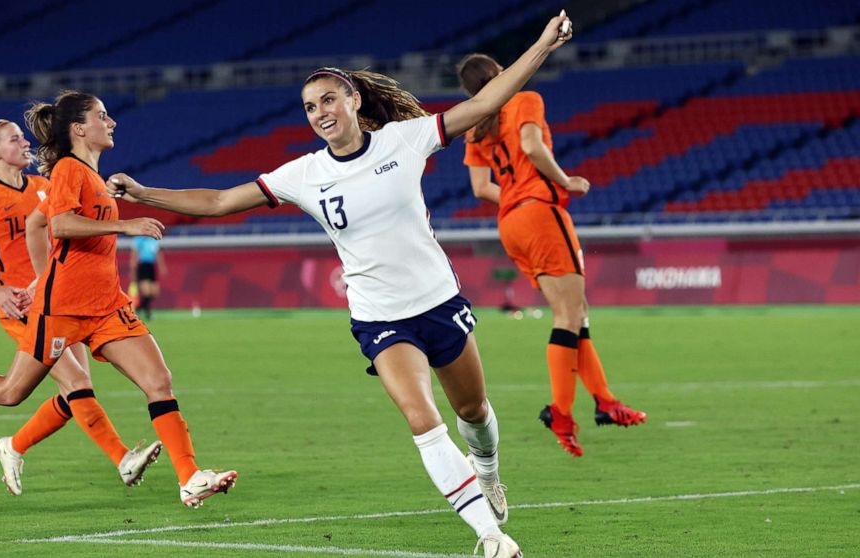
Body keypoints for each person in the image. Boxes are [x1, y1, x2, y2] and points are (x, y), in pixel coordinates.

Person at [106, 13, 574, 556]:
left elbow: (486, 103)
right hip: (380, 316)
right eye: (310, 107)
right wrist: (142, 192)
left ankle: (489, 472)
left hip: (439, 302)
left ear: (352, 99)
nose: (320, 113)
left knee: (473, 413)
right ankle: (489, 536)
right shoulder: (303, 174)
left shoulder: (405, 138)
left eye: (328, 100)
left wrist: (542, 44)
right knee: (423, 420)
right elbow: (217, 201)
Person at [0, 91, 237, 508]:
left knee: (158, 381)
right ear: (79, 128)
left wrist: (40, 275)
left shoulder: (76, 178)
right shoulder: (68, 169)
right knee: (10, 392)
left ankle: (189, 477)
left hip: (107, 306)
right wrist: (126, 227)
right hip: (61, 310)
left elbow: (37, 225)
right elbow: (62, 224)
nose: (113, 122)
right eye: (103, 115)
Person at [0, 118, 161, 495]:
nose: (25, 142)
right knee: (69, 384)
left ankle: (13, 445)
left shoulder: (45, 187)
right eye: (15, 139)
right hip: (21, 308)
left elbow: (69, 225)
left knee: (57, 392)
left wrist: (105, 191)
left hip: (59, 300)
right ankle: (123, 459)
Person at [457, 53, 646, 458]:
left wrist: (515, 197)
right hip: (541, 213)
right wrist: (567, 181)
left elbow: (479, 188)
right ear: (501, 73)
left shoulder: (475, 126)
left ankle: (606, 402)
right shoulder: (523, 100)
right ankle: (561, 411)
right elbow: (531, 144)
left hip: (511, 224)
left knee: (576, 312)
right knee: (568, 316)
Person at [129, 236, 166, 320]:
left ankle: (139, 308)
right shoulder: (138, 240)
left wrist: (162, 266)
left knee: (155, 292)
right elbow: (134, 255)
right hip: (142, 266)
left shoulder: (153, 240)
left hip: (151, 267)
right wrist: (133, 270)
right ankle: (148, 313)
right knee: (147, 292)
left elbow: (158, 254)